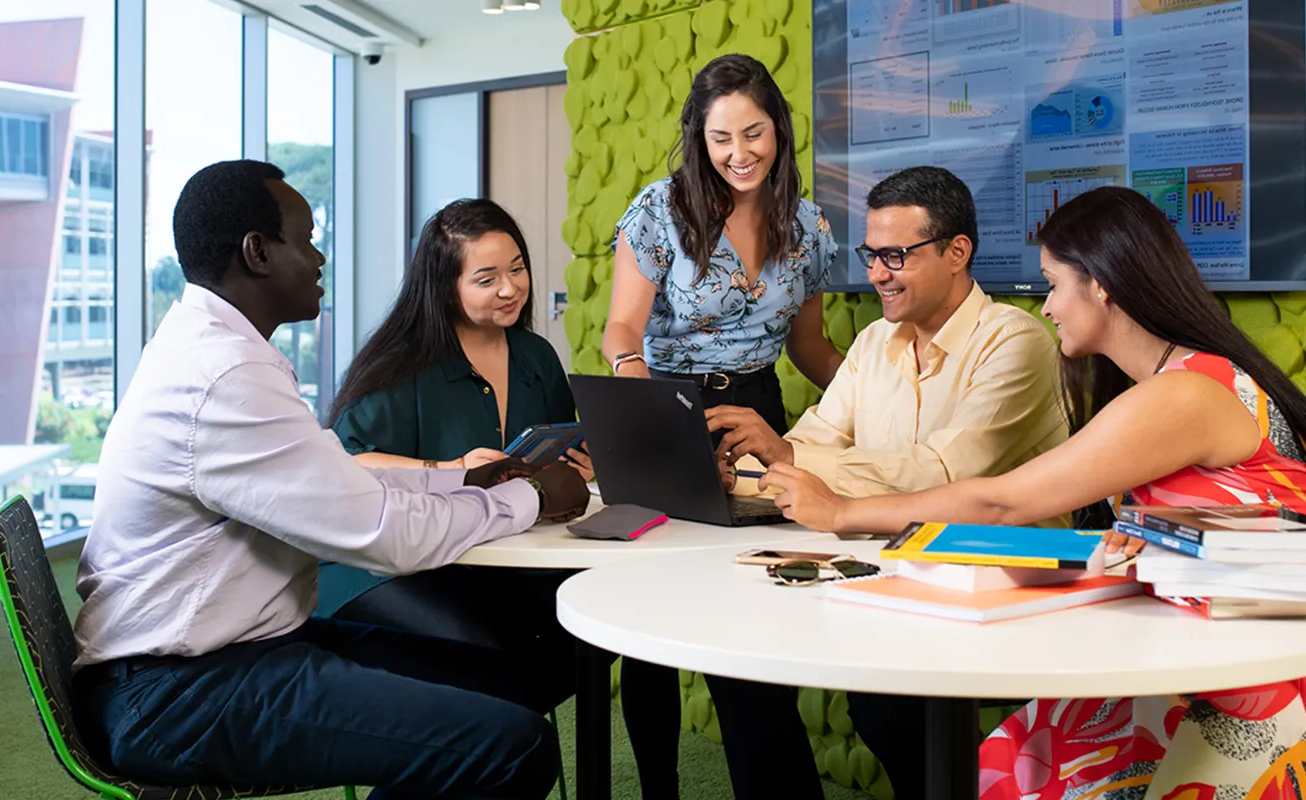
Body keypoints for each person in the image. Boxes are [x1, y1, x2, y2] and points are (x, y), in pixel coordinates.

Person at [68, 159, 591, 799]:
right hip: (178, 687)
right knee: (513, 752)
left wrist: (465, 482)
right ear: (258, 252)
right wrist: (529, 495)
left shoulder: (221, 349)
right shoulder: (223, 377)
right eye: (306, 238)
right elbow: (384, 533)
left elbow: (340, 482)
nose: (319, 259)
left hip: (244, 647)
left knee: (511, 683)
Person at [763, 185, 1306, 800]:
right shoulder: (1176, 381)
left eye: (1052, 284)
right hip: (1206, 650)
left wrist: (841, 511)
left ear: (1099, 284)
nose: (1046, 307)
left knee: (1015, 770)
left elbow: (1002, 500)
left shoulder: (1184, 393)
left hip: (1251, 683)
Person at [702, 165, 1071, 796]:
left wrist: (791, 461)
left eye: (895, 255)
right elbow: (815, 441)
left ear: (959, 253)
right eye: (872, 254)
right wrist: (749, 463)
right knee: (735, 659)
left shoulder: (1017, 340)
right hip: (877, 561)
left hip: (996, 571)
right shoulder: (874, 342)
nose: (877, 273)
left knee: (885, 701)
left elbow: (952, 473)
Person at [598, 52, 841, 800]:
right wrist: (646, 411)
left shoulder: (807, 225)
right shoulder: (658, 211)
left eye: (754, 133)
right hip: (664, 407)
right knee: (652, 622)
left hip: (758, 412)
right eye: (721, 139)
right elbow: (620, 330)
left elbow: (809, 345)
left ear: (780, 130)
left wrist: (875, 400)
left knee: (754, 605)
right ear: (700, 141)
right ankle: (661, 789)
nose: (740, 154)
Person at [318, 197, 594, 696]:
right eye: (487, 280)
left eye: (517, 269)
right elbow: (346, 461)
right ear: (446, 289)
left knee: (583, 638)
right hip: (382, 565)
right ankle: (484, 752)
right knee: (491, 661)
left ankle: (496, 750)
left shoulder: (537, 357)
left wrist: (578, 466)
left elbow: (547, 461)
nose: (510, 289)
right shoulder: (401, 364)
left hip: (491, 557)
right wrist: (452, 467)